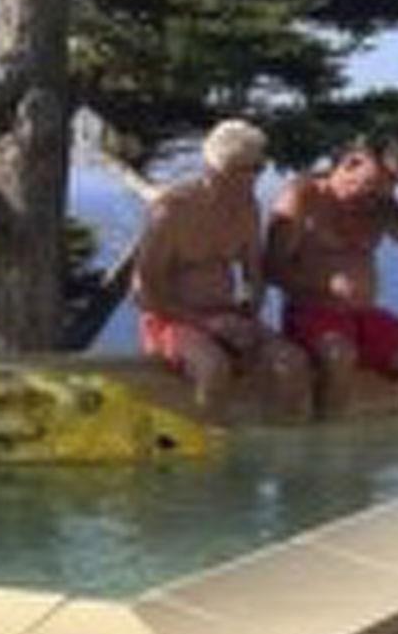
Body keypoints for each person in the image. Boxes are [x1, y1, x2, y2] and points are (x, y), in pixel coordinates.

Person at [132, 118, 310, 419]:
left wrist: (247, 316)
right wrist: (205, 323)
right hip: (172, 319)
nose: (252, 178)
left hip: (227, 315)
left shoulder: (247, 208)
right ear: (216, 169)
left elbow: (254, 274)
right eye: (244, 170)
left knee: (292, 363)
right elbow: (143, 291)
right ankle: (209, 440)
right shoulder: (173, 209)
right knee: (213, 368)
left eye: (258, 168)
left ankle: (283, 439)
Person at [265, 138, 398, 416]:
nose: (370, 199)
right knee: (340, 357)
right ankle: (329, 436)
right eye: (366, 187)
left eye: (383, 189)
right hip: (312, 313)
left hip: (363, 316)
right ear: (348, 165)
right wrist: (324, 289)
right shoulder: (304, 196)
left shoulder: (379, 205)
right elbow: (272, 266)